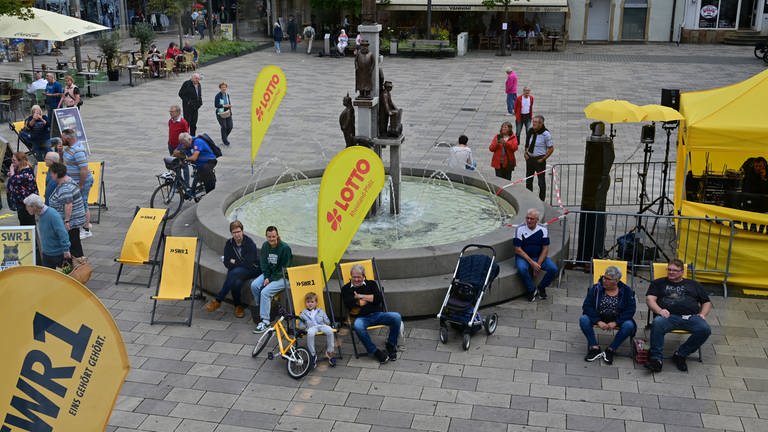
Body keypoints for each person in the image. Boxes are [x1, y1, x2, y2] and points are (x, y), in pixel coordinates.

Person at [645, 259, 712, 373]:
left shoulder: (693, 284)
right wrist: (659, 310)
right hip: (668, 316)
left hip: (691, 317)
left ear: (682, 272)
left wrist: (702, 314)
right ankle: (656, 359)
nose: (671, 272)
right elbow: (650, 299)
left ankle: (681, 354)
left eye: (675, 270)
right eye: (669, 269)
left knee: (705, 329)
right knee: (657, 323)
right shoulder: (658, 283)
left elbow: (706, 302)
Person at [341, 264, 402, 364]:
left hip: (377, 314)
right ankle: (375, 351)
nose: (356, 279)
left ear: (364, 276)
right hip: (360, 318)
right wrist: (369, 298)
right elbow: (351, 305)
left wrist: (360, 296)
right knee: (358, 326)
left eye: (359, 277)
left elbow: (378, 299)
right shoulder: (346, 289)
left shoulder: (372, 284)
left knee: (396, 317)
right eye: (354, 277)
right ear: (351, 276)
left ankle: (391, 345)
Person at [580, 266, 637, 365]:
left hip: (617, 318)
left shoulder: (626, 291)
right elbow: (587, 306)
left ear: (616, 281)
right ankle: (594, 347)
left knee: (629, 325)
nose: (604, 280)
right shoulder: (596, 289)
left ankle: (611, 349)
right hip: (599, 316)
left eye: (608, 279)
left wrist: (616, 322)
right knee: (583, 319)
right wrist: (598, 321)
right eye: (604, 277)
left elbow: (630, 310)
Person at [205, 220, 261, 318]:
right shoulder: (229, 244)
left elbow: (249, 263)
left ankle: (218, 300)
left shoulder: (249, 243)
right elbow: (227, 262)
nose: (237, 235)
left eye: (239, 232)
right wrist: (235, 263)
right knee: (236, 281)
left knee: (234, 273)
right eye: (234, 232)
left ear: (242, 231)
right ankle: (238, 306)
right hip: (237, 271)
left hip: (252, 270)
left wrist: (234, 262)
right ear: (231, 233)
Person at [250, 226, 292, 333]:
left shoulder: (285, 248)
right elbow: (264, 264)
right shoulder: (265, 246)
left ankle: (265, 321)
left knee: (265, 292)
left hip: (283, 277)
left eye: (273, 236)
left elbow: (285, 268)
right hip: (270, 275)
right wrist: (267, 277)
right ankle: (262, 308)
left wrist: (271, 279)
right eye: (269, 237)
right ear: (266, 236)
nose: (271, 239)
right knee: (254, 285)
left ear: (277, 235)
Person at [514, 208, 559, 302]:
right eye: (527, 218)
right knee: (522, 269)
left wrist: (537, 264)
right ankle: (531, 289)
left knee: (553, 269)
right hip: (524, 257)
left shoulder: (543, 229)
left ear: (537, 220)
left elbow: (545, 248)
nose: (529, 221)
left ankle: (541, 287)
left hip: (538, 256)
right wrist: (532, 263)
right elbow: (517, 249)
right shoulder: (519, 229)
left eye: (532, 219)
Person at [59, 129, 93, 239]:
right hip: (74, 182)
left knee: (83, 203)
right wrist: (60, 153)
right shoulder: (69, 149)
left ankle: (86, 229)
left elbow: (84, 169)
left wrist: (81, 184)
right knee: (78, 204)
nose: (61, 140)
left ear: (68, 138)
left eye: (62, 138)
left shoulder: (78, 151)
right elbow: (63, 163)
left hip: (81, 181)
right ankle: (81, 225)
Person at [47, 162, 85, 259]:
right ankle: (78, 265)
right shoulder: (68, 180)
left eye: (51, 173)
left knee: (73, 246)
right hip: (74, 220)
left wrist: (67, 221)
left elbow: (68, 204)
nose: (50, 175)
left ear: (56, 174)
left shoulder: (65, 188)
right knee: (75, 243)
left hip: (71, 222)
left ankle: (78, 268)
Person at [23, 194, 70, 269]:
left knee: (59, 278)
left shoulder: (52, 215)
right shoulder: (41, 215)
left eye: (27, 207)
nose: (26, 209)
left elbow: (62, 233)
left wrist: (66, 249)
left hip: (57, 254)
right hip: (47, 253)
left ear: (34, 206)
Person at [297, 292, 336, 368]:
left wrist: (328, 322)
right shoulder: (303, 313)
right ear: (305, 303)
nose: (310, 304)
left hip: (321, 325)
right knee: (310, 333)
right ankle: (312, 354)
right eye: (308, 302)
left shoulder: (320, 311)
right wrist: (304, 325)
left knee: (330, 331)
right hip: (311, 327)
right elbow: (300, 326)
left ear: (316, 303)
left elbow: (327, 321)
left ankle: (330, 351)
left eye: (312, 302)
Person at [524, 115, 554, 201]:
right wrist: (525, 153)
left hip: (539, 160)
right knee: (528, 180)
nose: (533, 123)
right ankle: (529, 199)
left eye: (536, 122)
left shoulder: (546, 134)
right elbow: (527, 144)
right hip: (529, 159)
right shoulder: (530, 131)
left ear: (541, 124)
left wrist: (543, 159)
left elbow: (551, 149)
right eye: (533, 122)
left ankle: (542, 200)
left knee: (541, 182)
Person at [6, 152, 39, 226]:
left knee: (27, 225)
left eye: (14, 161)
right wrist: (13, 172)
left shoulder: (26, 174)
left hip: (26, 205)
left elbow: (13, 181)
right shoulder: (23, 170)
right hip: (22, 204)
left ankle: (33, 237)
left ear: (20, 161)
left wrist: (12, 172)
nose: (12, 163)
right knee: (25, 224)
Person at [214, 82, 233, 146]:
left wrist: (230, 109)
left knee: (230, 126)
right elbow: (216, 105)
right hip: (220, 112)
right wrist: (224, 106)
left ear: (226, 88)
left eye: (225, 87)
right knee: (224, 127)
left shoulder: (227, 95)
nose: (224, 88)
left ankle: (224, 138)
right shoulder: (218, 95)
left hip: (227, 112)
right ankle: (225, 141)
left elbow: (229, 103)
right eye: (222, 87)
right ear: (220, 88)